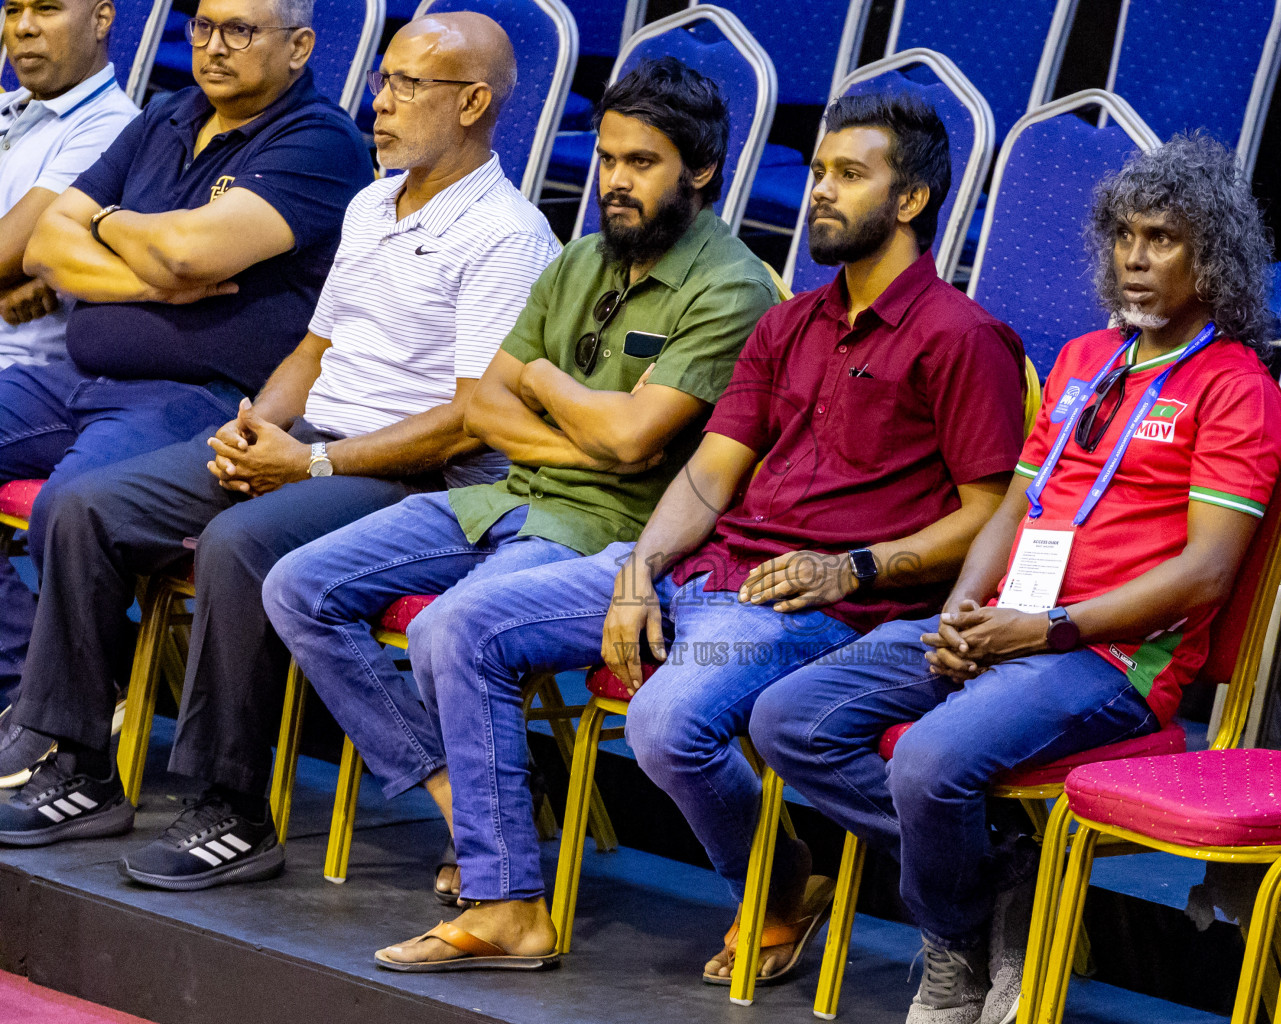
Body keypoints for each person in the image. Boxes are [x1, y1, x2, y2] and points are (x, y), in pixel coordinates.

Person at [361, 92, 1026, 980]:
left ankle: (781, 881)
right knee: (457, 625)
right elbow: (712, 474)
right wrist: (638, 567)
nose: (821, 191)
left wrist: (852, 568)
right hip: (706, 570)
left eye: (850, 176)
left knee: (668, 718)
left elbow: (990, 512)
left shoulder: (965, 337)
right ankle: (507, 899)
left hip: (809, 605)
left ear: (911, 202)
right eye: (820, 172)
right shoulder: (790, 323)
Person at [0, 14, 554, 888]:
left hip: (404, 470)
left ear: (476, 103)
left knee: (240, 545)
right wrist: (258, 424)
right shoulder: (376, 200)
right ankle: (78, 766)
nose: (383, 101)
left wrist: (316, 464)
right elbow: (314, 348)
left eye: (412, 86)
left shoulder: (507, 236)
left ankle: (231, 809)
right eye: (384, 78)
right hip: (306, 439)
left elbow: (471, 420)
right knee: (84, 506)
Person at [750, 133, 1281, 1024]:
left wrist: (1047, 629)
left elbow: (1204, 574)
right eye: (1123, 236)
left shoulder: (1235, 391)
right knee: (787, 719)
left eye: (1162, 239)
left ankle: (954, 950)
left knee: (928, 763)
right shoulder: (1086, 360)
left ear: (1214, 258)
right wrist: (965, 605)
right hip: (1005, 625)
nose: (1135, 257)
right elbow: (1012, 509)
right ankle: (999, 869)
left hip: (1107, 659)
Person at [262, 56, 776, 921]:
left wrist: (544, 380)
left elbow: (634, 442)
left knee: (447, 632)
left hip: (604, 528)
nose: (614, 180)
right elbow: (488, 409)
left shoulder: (733, 286)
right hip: (499, 495)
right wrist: (582, 427)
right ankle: (458, 795)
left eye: (640, 163)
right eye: (607, 158)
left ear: (702, 171)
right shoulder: (579, 259)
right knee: (298, 585)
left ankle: (502, 871)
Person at [0, 0, 372, 776]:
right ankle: (22, 676)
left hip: (195, 393)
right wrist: (152, 269)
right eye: (202, 26)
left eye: (240, 30)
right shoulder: (171, 114)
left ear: (299, 46)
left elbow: (192, 256)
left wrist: (104, 223)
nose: (213, 46)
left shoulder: (320, 141)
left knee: (72, 507)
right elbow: (44, 245)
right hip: (76, 378)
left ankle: (61, 723)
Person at [0, 0, 138, 370]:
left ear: (101, 20)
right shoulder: (9, 104)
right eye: (12, 10)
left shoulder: (114, 126)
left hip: (18, 372)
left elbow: (7, 252)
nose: (22, 27)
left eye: (46, 8)